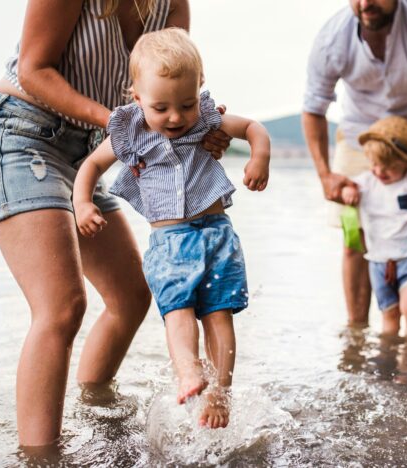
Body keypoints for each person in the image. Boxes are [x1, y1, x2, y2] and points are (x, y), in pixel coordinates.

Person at [0, 0, 230, 447]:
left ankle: (94, 406)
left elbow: (172, 82)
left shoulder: (172, 4)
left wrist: (200, 134)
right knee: (62, 306)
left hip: (90, 150)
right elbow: (33, 69)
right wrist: (120, 124)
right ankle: (40, 456)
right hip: (22, 135)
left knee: (130, 296)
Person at [73, 28, 271, 429]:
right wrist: (82, 202)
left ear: (200, 89)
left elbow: (253, 128)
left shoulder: (206, 120)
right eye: (161, 107)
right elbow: (91, 166)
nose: (176, 117)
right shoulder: (131, 134)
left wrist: (259, 158)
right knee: (177, 311)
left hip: (217, 234)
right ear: (138, 99)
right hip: (170, 241)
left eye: (186, 103)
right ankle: (188, 371)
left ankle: (220, 395)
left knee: (219, 316)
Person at [302, 0, 407, 340]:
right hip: (359, 134)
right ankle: (357, 338)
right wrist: (325, 175)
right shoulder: (330, 40)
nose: (366, 4)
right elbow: (313, 108)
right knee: (353, 233)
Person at [337, 116, 407, 337]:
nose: (380, 171)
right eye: (374, 164)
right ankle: (390, 361)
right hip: (378, 263)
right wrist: (348, 192)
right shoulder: (366, 182)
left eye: (389, 167)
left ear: (406, 161)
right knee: (389, 315)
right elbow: (345, 188)